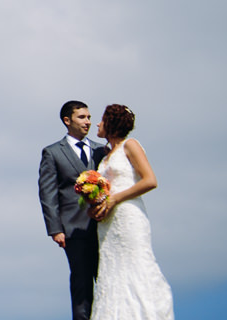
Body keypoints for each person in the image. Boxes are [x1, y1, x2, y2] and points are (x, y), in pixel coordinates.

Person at [90, 103, 175, 318]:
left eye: (101, 119)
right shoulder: (106, 156)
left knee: (136, 263)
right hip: (108, 223)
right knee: (113, 271)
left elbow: (150, 180)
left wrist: (115, 198)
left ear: (111, 123)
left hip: (128, 215)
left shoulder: (131, 145)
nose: (97, 124)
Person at [39, 100, 109, 320]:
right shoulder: (52, 152)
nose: (87, 122)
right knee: (81, 281)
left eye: (89, 117)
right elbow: (47, 194)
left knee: (107, 279)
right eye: (82, 117)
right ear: (67, 120)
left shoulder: (102, 150)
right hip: (73, 229)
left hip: (103, 225)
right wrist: (55, 229)